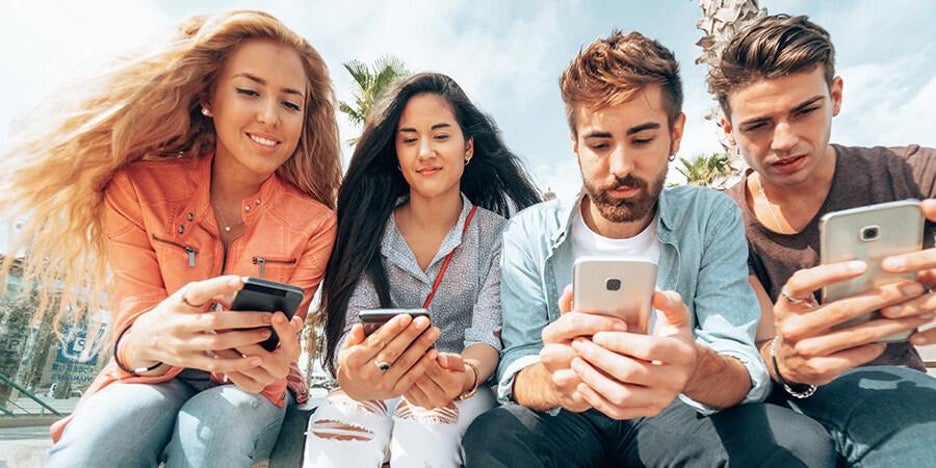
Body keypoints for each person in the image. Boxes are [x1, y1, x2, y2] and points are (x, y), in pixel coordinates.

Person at [461, 30, 838, 467]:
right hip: (568, 417)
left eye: (642, 140)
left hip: (676, 410)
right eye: (600, 144)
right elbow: (519, 364)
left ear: (675, 134)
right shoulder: (530, 231)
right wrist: (556, 380)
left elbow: (739, 359)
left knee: (799, 446)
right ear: (574, 144)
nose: (620, 166)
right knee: (493, 437)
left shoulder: (709, 216)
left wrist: (691, 367)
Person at [0, 10, 342, 466]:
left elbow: (282, 341)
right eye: (248, 91)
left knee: (215, 429)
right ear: (208, 98)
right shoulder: (137, 189)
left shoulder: (316, 221)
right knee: (103, 436)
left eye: (290, 103)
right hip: (148, 376)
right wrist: (153, 336)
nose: (269, 117)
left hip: (250, 388)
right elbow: (130, 331)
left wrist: (277, 363)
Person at [711, 13, 936, 466]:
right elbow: (751, 352)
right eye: (758, 125)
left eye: (805, 111)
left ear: (835, 97)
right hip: (771, 408)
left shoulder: (910, 173)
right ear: (727, 130)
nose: (784, 141)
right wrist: (783, 359)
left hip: (895, 392)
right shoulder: (720, 221)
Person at [303, 73, 541, 467]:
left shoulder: (500, 235)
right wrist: (355, 371)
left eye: (441, 136)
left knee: (426, 425)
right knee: (339, 426)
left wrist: (461, 375)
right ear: (395, 154)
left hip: (461, 385)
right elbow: (350, 335)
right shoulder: (369, 230)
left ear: (467, 148)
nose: (425, 151)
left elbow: (486, 338)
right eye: (409, 139)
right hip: (377, 379)